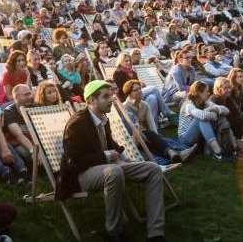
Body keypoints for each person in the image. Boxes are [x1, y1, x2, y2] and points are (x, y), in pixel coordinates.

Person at [57, 80, 167, 242]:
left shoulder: (102, 117)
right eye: (106, 96)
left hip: (105, 167)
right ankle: (113, 233)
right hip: (79, 174)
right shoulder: (77, 123)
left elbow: (111, 144)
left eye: (112, 95)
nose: (112, 99)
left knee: (153, 168)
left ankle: (156, 233)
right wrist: (107, 156)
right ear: (91, 101)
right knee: (114, 172)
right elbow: (74, 160)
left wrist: (126, 158)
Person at [123, 80, 194, 163]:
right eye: (135, 90)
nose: (139, 91)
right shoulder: (125, 107)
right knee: (151, 138)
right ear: (129, 94)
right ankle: (178, 152)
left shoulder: (144, 105)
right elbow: (133, 129)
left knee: (157, 138)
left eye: (140, 88)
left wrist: (156, 136)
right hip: (134, 138)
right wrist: (150, 137)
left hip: (146, 134)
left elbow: (151, 123)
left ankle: (175, 154)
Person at [177, 81, 235, 161]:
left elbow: (226, 110)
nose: (209, 94)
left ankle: (230, 147)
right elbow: (202, 115)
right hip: (185, 138)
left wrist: (215, 109)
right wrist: (213, 115)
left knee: (221, 117)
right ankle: (217, 152)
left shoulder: (206, 102)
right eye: (207, 92)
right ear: (198, 93)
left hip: (198, 134)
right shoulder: (188, 104)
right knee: (201, 119)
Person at [1, 84, 38, 170]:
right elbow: (19, 135)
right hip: (18, 142)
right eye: (26, 94)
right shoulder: (9, 112)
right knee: (25, 153)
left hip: (34, 140)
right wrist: (33, 151)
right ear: (17, 97)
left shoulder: (33, 107)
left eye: (30, 93)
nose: (30, 96)